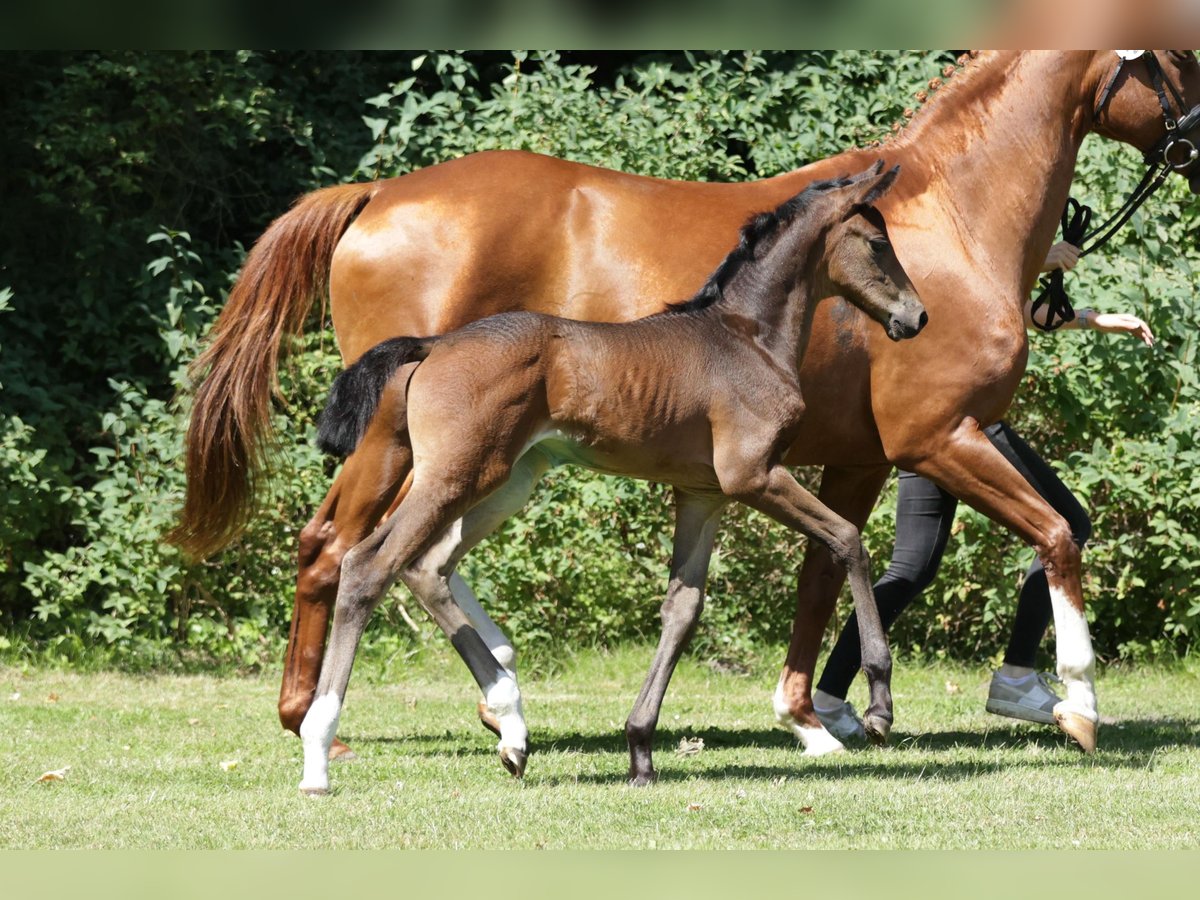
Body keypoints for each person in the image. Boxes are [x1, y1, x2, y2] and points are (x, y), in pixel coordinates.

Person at [812, 241, 1156, 739]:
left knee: (911, 569)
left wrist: (1094, 319)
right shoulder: (961, 242)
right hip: (966, 424)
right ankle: (1016, 674)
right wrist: (1036, 255)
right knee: (1068, 528)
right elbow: (967, 293)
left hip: (928, 422)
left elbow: (1015, 310)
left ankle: (827, 697)